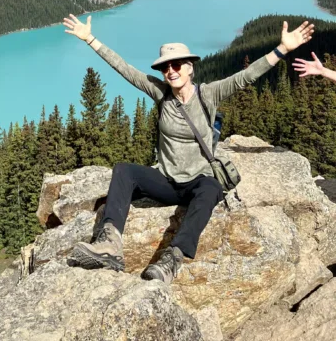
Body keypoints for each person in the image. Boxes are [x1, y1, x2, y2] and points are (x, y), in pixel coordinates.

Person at [62, 14, 314, 284]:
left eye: (177, 65)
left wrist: (283, 49)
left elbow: (246, 76)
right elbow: (125, 69)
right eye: (165, 67)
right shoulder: (161, 94)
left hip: (196, 183)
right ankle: (110, 246)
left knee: (211, 189)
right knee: (124, 171)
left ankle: (172, 259)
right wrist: (90, 39)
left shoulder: (209, 94)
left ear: (190, 67)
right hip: (166, 182)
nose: (170, 70)